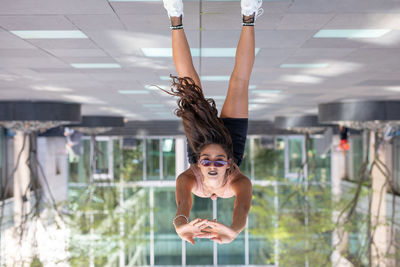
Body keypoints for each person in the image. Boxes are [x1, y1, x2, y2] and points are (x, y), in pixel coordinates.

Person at [162, 0, 263, 244]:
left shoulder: (190, 181)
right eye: (217, 163)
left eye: (207, 163)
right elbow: (242, 210)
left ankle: (175, 16)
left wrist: (181, 226)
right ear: (228, 164)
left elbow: (182, 207)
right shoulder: (238, 183)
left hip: (201, 138)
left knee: (189, 85)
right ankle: (248, 13)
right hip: (233, 140)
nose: (212, 165)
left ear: (199, 163)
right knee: (239, 81)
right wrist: (234, 230)